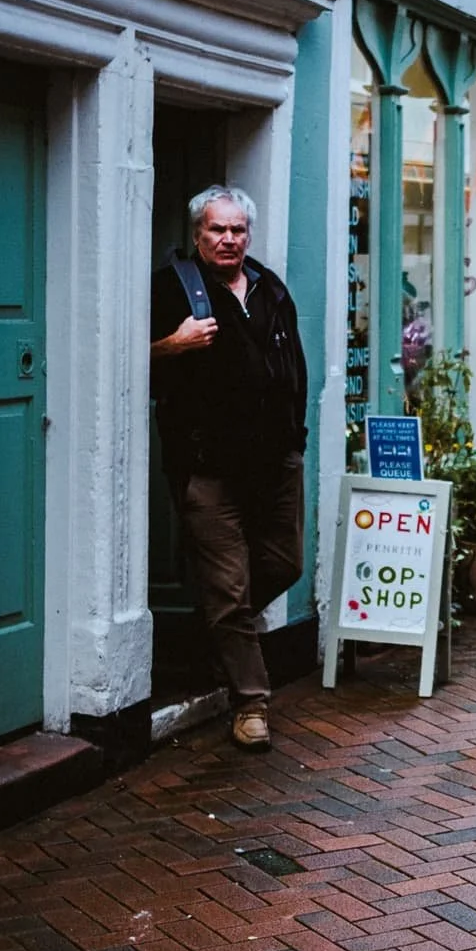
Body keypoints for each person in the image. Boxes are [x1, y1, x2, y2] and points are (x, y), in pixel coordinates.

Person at [151, 185, 308, 751]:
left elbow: (296, 366)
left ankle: (209, 632)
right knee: (228, 586)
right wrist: (174, 343)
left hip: (275, 465)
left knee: (285, 564)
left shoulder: (269, 287)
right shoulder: (174, 287)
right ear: (197, 234)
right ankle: (251, 704)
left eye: (238, 229)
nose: (229, 238)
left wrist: (298, 442)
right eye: (217, 229)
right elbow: (125, 360)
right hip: (209, 469)